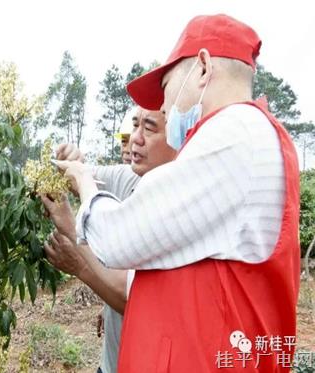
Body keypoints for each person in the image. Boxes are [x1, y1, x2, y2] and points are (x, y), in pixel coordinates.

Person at [53, 14, 300, 372]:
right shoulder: (239, 138)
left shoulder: (236, 133)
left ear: (202, 67)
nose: (166, 106)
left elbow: (118, 238)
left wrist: (83, 183)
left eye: (167, 86)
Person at [42, 106, 176, 373]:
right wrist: (71, 161)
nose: (135, 139)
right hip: (112, 363)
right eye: (134, 126)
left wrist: (74, 238)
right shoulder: (132, 177)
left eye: (149, 128)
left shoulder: (177, 209)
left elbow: (132, 298)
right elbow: (80, 176)